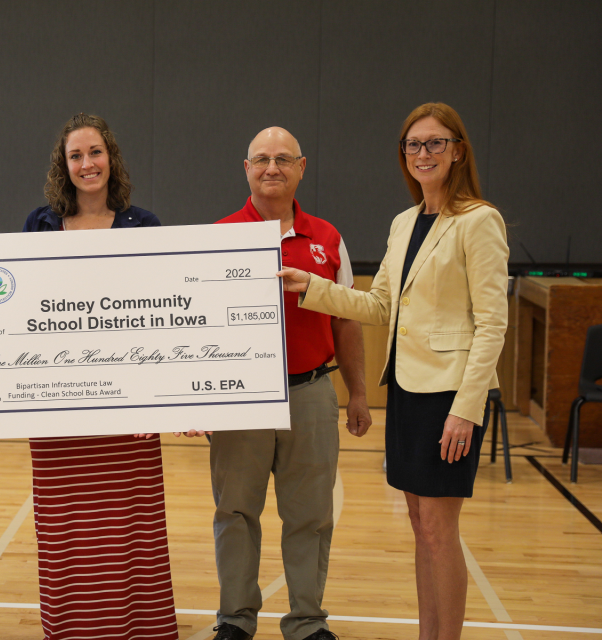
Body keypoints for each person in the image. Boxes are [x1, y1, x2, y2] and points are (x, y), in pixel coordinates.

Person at [280, 103, 509, 640]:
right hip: (407, 391)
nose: (422, 153)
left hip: (450, 399)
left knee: (439, 531)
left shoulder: (479, 221)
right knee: (420, 528)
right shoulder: (405, 223)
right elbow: (380, 305)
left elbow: (493, 326)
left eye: (434, 143)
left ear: (458, 151)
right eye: (412, 144)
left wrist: (466, 410)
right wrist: (311, 287)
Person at [21, 113, 180, 640]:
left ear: (111, 158)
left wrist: (168, 400)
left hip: (129, 419)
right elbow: (24, 307)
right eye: (76, 155)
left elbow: (166, 315)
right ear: (63, 165)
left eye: (95, 152)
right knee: (66, 531)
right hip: (59, 416)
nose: (87, 163)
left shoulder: (145, 225)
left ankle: (140, 629)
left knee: (130, 529)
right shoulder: (40, 225)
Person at [210, 127, 372, 640]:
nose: (272, 168)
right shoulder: (219, 237)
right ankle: (235, 619)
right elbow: (199, 324)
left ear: (302, 167)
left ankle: (306, 620)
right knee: (235, 511)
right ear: (246, 169)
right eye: (262, 159)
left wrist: (359, 393)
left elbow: (347, 320)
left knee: (311, 514)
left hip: (311, 393)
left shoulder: (328, 238)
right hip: (241, 400)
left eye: (283, 159)